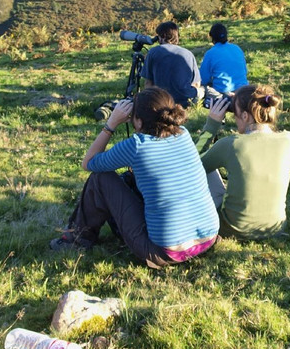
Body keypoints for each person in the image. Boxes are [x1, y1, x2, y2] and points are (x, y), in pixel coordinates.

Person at [57, 86, 219, 268]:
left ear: (139, 121)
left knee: (100, 178)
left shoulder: (137, 145)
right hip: (208, 238)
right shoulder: (183, 134)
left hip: (165, 253)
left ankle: (76, 239)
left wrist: (111, 124)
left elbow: (88, 163)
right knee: (131, 178)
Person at [198, 84, 290, 239]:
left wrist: (212, 125)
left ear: (245, 116)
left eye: (235, 115)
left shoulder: (231, 144)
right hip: (274, 227)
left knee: (205, 169)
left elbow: (191, 165)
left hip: (232, 228)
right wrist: (239, 100)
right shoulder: (289, 139)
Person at [143, 21, 201, 108]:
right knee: (203, 90)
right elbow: (196, 83)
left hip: (162, 101)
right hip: (185, 101)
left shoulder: (153, 52)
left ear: (162, 36)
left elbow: (148, 83)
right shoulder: (188, 54)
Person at [199, 22, 249, 98]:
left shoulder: (210, 53)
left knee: (202, 89)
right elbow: (245, 70)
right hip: (243, 89)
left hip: (224, 92)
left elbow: (203, 79)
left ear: (212, 37)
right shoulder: (237, 48)